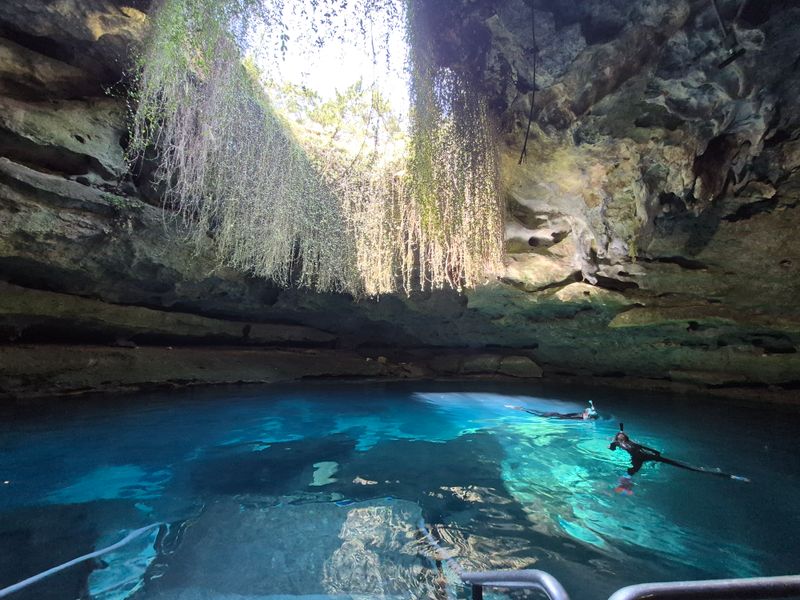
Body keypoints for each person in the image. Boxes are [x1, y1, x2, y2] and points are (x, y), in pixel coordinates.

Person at [609, 423, 750, 481]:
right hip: (648, 454)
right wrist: (657, 453)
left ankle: (625, 480)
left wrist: (611, 446)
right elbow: (645, 447)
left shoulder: (617, 442)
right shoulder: (632, 442)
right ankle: (727, 475)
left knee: (633, 470)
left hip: (638, 457)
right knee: (679, 464)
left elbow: (613, 447)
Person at [507, 400, 598, 420]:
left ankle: (521, 408)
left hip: (555, 413)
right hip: (553, 415)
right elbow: (565, 418)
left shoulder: (580, 415)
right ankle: (521, 409)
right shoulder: (580, 417)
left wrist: (592, 405)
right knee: (537, 414)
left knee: (537, 412)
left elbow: (592, 410)